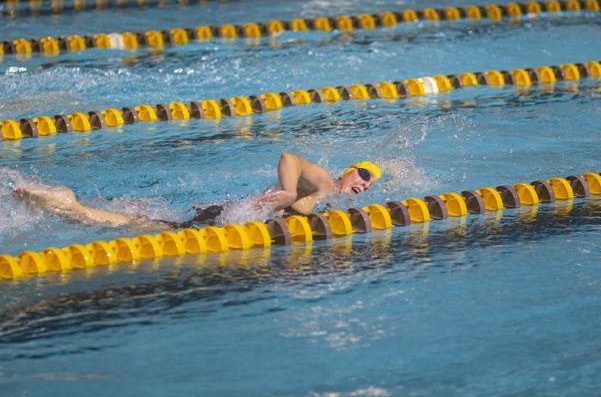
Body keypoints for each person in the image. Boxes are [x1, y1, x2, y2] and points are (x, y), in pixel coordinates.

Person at [12, 153, 382, 230]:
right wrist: (287, 192)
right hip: (222, 224)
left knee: (144, 222)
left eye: (369, 185)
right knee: (133, 227)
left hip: (223, 218)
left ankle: (68, 204)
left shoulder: (329, 201)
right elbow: (290, 157)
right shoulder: (323, 182)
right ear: (348, 169)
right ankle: (66, 204)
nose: (363, 183)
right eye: (363, 173)